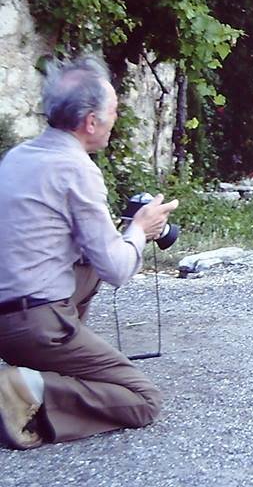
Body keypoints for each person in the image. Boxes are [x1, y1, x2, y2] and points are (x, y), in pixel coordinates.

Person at [0, 55, 179, 449]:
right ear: (91, 122)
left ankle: (51, 369)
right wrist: (140, 229)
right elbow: (116, 268)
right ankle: (27, 388)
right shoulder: (76, 168)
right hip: (37, 324)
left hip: (7, 321)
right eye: (113, 110)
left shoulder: (16, 157)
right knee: (143, 400)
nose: (117, 117)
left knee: (88, 263)